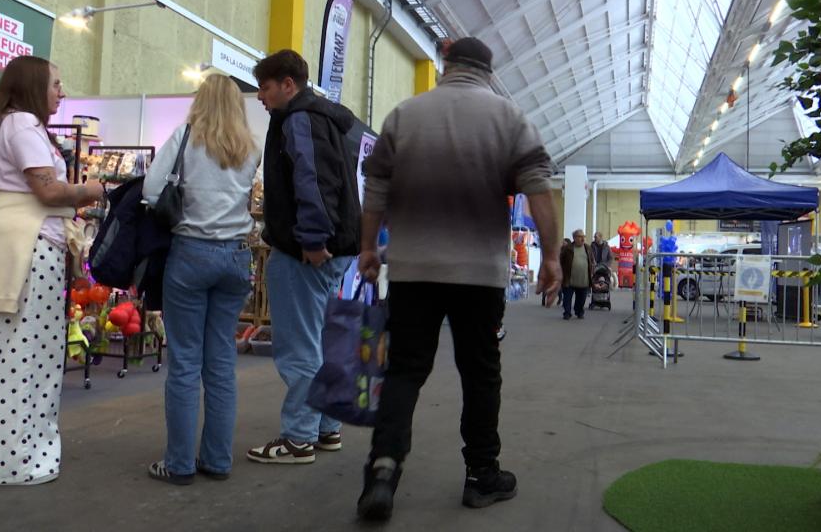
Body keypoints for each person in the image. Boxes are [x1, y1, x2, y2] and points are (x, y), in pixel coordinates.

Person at [355, 37, 562, 521]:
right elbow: (540, 188)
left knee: (405, 370)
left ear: (445, 67)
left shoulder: (404, 115)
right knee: (480, 372)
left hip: (412, 269)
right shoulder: (509, 118)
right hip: (479, 275)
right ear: (488, 72)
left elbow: (375, 188)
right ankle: (481, 476)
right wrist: (551, 256)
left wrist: (368, 247)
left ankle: (382, 471)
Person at [0, 55, 104, 485]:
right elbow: (47, 190)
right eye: (56, 84)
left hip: (6, 245)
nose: (61, 93)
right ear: (32, 86)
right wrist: (94, 190)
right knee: (30, 356)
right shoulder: (23, 125)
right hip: (29, 248)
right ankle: (16, 462)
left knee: (1, 352)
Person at [142, 74, 259, 485]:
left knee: (186, 362)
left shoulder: (185, 137)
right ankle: (218, 460)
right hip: (236, 257)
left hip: (190, 253)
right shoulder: (249, 148)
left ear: (202, 100)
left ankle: (178, 464)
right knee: (222, 360)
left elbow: (153, 191)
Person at [247, 50, 361, 464]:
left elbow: (312, 181)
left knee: (300, 348)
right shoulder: (327, 119)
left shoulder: (299, 120)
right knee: (321, 341)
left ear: (288, 84)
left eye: (264, 87)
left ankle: (298, 438)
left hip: (306, 252)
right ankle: (325, 428)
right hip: (335, 251)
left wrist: (312, 238)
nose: (260, 96)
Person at [559, 229, 594, 320]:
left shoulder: (588, 248)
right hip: (569, 279)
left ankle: (579, 311)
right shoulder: (568, 248)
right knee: (567, 298)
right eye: (580, 237)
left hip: (583, 279)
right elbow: (560, 260)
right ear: (574, 238)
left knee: (581, 299)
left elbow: (592, 261)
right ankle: (567, 313)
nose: (583, 239)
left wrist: (592, 272)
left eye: (584, 237)